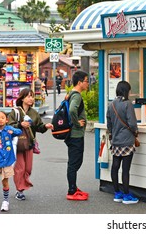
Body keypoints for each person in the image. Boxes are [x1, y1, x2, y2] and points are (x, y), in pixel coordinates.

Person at [7, 88, 54, 201]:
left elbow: (39, 127)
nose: (31, 98)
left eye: (32, 96)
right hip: (17, 144)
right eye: (28, 96)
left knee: (28, 168)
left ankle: (23, 184)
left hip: (29, 143)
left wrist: (45, 127)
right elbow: (9, 126)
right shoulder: (15, 112)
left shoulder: (34, 113)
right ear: (22, 98)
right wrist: (20, 124)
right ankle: (20, 190)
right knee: (20, 168)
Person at [106, 81, 139, 204]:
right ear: (126, 91)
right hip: (126, 141)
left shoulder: (111, 104)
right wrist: (136, 132)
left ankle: (117, 193)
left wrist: (113, 133)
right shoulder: (127, 104)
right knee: (125, 169)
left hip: (116, 141)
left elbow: (109, 123)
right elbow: (132, 124)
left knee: (115, 166)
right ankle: (126, 195)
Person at [0, 111, 22, 214]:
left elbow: (19, 131)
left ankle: (5, 202)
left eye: (3, 118)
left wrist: (13, 131)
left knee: (5, 182)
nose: (0, 119)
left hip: (7, 161)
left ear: (6, 120)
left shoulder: (9, 129)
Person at [65, 70, 89, 200]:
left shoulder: (71, 94)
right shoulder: (77, 96)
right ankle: (71, 190)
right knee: (74, 163)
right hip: (75, 135)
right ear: (80, 82)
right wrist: (77, 123)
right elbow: (72, 109)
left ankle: (73, 186)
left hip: (72, 135)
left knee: (74, 162)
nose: (88, 84)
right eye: (86, 81)